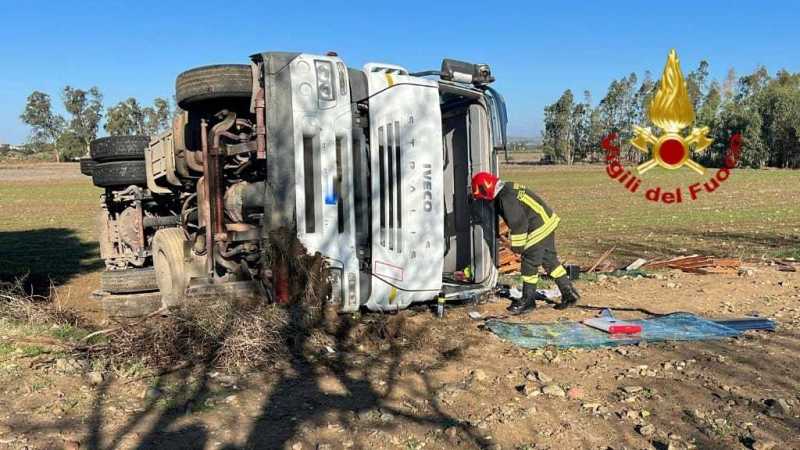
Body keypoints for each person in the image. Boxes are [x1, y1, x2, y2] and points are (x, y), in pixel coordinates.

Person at [471, 172, 580, 314]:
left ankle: (528, 301)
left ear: (486, 188)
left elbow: (519, 224)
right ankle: (569, 294)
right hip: (546, 221)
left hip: (538, 226)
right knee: (550, 261)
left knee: (529, 262)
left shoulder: (506, 198)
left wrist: (517, 247)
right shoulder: (507, 189)